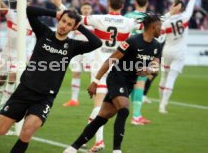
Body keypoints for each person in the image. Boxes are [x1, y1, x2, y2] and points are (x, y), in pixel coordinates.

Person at [0, 4, 102, 153]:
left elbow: (97, 43)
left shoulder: (72, 46)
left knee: (27, 130)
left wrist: (79, 26)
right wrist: (55, 13)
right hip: (24, 91)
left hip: (44, 98)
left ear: (72, 28)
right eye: (63, 21)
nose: (64, 26)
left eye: (69, 24)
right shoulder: (44, 32)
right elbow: (30, 10)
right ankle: (5, 110)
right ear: (59, 20)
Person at [53, 0, 143, 152]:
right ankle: (101, 142)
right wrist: (170, 14)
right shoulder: (129, 22)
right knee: (109, 108)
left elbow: (75, 17)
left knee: (99, 106)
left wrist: (60, 5)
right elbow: (148, 24)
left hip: (100, 67)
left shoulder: (98, 18)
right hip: (119, 69)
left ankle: (99, 141)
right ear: (122, 6)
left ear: (108, 3)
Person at [63, 13, 163, 153]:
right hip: (117, 77)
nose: (162, 30)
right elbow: (111, 59)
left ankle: (72, 148)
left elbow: (156, 67)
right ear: (153, 27)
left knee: (101, 118)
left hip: (129, 83)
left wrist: (149, 69)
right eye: (160, 27)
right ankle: (117, 150)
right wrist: (96, 81)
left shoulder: (157, 46)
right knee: (124, 109)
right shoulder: (132, 41)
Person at [0, 0, 35, 110]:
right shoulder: (12, 15)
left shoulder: (33, 24)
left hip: (20, 56)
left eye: (26, 5)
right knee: (2, 79)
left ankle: (3, 106)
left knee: (12, 77)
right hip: (7, 53)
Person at [159, 0, 199, 113]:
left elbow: (160, 36)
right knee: (171, 78)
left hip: (167, 50)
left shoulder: (166, 21)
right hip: (179, 52)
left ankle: (160, 102)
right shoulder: (186, 16)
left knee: (164, 76)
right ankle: (163, 105)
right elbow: (192, 3)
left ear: (174, 7)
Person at [51, 0, 94, 107]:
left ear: (91, 10)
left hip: (89, 53)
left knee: (91, 74)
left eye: (88, 8)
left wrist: (60, 5)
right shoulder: (77, 20)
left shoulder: (93, 22)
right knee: (76, 73)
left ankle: (98, 97)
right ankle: (74, 100)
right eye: (84, 8)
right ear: (81, 9)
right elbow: (68, 14)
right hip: (76, 51)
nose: (85, 10)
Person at [124, 0, 152, 125]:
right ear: (147, 3)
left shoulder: (128, 16)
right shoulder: (150, 18)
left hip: (127, 54)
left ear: (135, 3)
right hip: (142, 55)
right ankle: (136, 116)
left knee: (128, 83)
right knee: (140, 84)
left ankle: (121, 110)